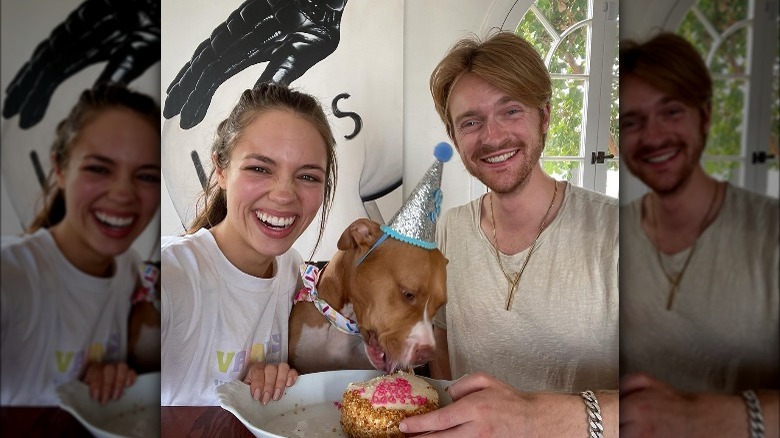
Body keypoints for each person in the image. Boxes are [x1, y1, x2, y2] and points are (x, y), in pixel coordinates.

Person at [401, 31, 619, 436]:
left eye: (511, 111)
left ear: (545, 116)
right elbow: (443, 337)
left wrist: (532, 419)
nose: (492, 136)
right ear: (455, 138)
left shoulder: (621, 233)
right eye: (471, 121)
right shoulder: (450, 228)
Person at [618, 32, 778, 437]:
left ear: (704, 117)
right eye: (631, 122)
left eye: (671, 112)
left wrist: (705, 418)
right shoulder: (610, 236)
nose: (653, 137)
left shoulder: (770, 234)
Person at [160, 82, 338, 406]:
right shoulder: (171, 274)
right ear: (221, 170)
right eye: (259, 168)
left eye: (308, 176)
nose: (284, 194)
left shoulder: (293, 271)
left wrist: (276, 384)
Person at [1, 84, 161, 405]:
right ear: (60, 168)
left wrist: (116, 376)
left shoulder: (130, 269)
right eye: (99, 169)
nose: (122, 194)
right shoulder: (12, 274)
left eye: (146, 176)